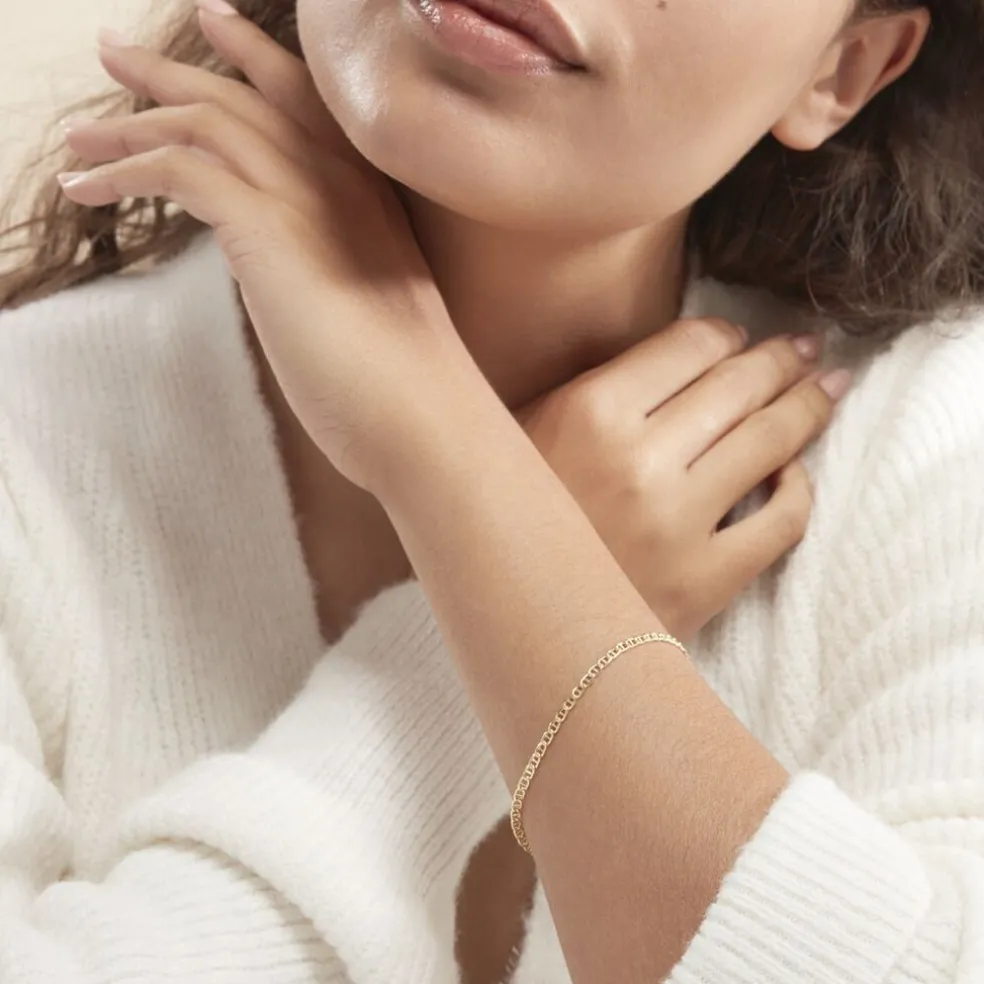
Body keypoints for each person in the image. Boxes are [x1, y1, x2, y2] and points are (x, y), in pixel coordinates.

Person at [0, 0, 981, 981]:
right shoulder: (27, 441)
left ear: (842, 69)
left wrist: (452, 467)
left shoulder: (931, 446)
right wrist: (505, 586)